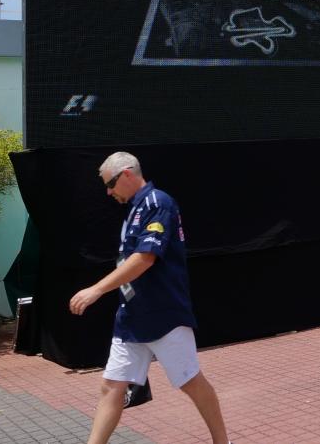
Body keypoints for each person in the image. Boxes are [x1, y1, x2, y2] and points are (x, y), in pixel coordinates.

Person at [70, 152, 231, 444]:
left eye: (110, 184)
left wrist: (97, 289)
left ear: (127, 174)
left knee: (190, 382)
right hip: (131, 317)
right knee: (111, 386)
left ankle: (222, 442)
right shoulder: (134, 209)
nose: (108, 192)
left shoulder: (158, 203)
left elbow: (145, 258)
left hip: (164, 316)